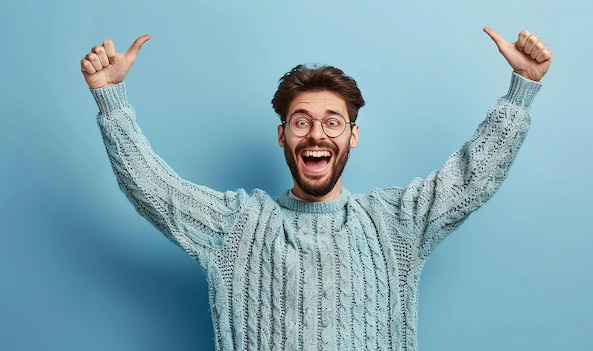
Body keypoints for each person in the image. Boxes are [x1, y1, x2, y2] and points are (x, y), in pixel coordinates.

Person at [81, 27, 552, 351]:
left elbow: (471, 178)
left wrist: (521, 89)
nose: (317, 134)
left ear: (352, 135)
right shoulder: (238, 227)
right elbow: (154, 191)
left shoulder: (395, 225)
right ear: (283, 135)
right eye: (302, 121)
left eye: (333, 122)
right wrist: (110, 98)